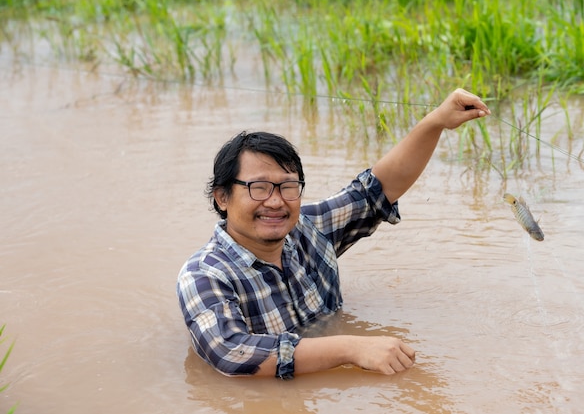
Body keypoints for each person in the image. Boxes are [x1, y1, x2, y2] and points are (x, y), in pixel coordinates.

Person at [177, 88, 491, 379]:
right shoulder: (203, 274)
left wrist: (436, 121)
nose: (275, 201)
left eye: (288, 186)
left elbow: (376, 190)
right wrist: (352, 348)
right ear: (222, 197)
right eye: (258, 188)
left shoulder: (308, 231)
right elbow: (233, 352)